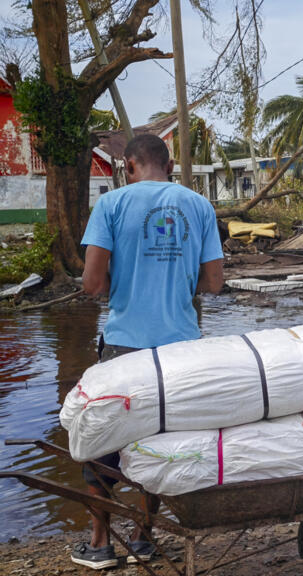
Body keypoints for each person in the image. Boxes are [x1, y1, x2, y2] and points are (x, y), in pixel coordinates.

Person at [73, 133, 224, 570]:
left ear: (130, 166)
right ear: (170, 166)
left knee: (99, 445)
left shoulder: (111, 205)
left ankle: (100, 544)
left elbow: (93, 284)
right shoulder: (199, 206)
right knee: (161, 444)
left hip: (124, 349)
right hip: (182, 351)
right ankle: (143, 537)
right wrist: (175, 286)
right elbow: (213, 282)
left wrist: (124, 280)